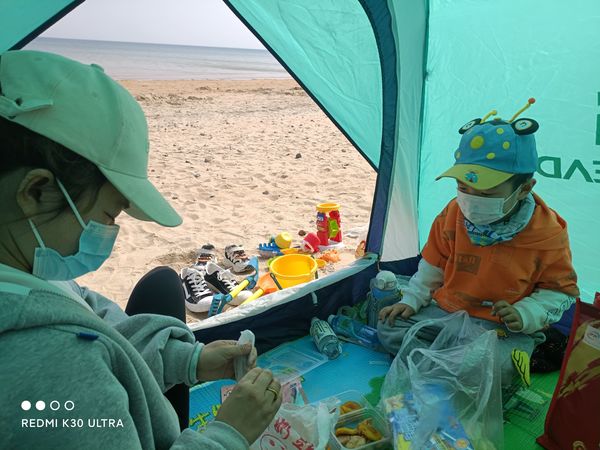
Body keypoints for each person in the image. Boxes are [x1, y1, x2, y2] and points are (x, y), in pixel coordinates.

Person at [0, 50, 281, 449]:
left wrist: (188, 361)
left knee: (165, 284)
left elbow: (90, 315)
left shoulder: (26, 266)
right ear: (36, 192)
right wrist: (226, 435)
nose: (111, 231)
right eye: (110, 213)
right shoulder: (56, 367)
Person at [378, 100, 580, 385]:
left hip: (497, 327)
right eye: (463, 188)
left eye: (485, 193)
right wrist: (412, 300)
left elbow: (560, 292)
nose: (470, 201)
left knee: (500, 365)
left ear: (524, 188)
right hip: (447, 311)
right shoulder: (452, 213)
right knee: (389, 325)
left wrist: (524, 313)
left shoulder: (546, 233)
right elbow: (433, 265)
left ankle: (451, 363)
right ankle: (454, 364)